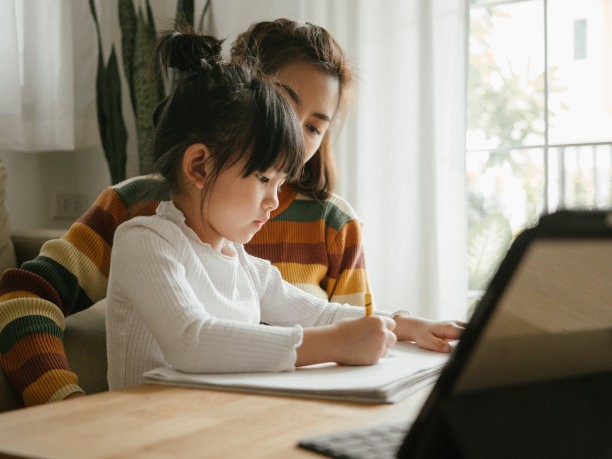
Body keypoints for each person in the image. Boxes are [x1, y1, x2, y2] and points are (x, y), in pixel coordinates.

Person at [0, 19, 461, 405]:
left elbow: (326, 317)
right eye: (264, 177)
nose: (276, 198)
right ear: (200, 162)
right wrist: (66, 411)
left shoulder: (246, 256)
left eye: (313, 127)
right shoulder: (141, 232)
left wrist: (401, 325)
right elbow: (194, 339)